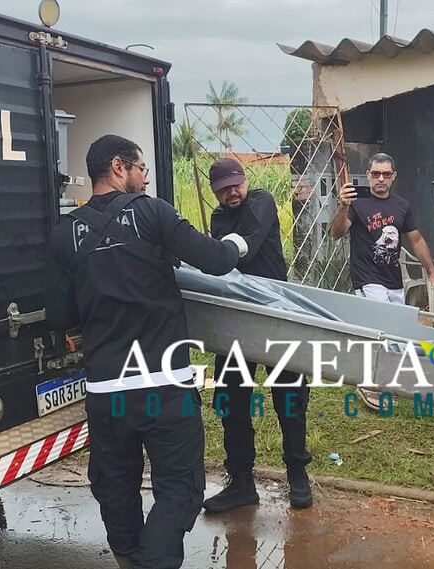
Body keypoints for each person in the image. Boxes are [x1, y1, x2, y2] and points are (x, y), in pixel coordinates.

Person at [47, 135, 250, 569]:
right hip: (163, 387)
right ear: (119, 167)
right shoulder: (152, 213)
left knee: (115, 488)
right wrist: (237, 244)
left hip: (106, 393)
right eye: (141, 169)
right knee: (179, 490)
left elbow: (60, 315)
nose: (144, 178)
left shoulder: (65, 234)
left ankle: (129, 559)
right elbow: (215, 260)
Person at [202, 157, 314, 512]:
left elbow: (243, 247)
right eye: (224, 189)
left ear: (245, 181)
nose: (232, 192)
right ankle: (240, 481)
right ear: (214, 192)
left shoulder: (262, 200)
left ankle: (297, 472)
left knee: (290, 398)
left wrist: (217, 252)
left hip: (277, 316)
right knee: (231, 400)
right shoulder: (219, 218)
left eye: (236, 184)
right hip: (236, 321)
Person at [329, 152, 434, 410]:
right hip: (367, 278)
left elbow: (416, 239)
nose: (380, 178)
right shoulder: (357, 203)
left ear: (393, 176)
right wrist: (343, 206)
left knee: (396, 331)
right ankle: (369, 382)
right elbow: (336, 233)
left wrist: (432, 270)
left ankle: (387, 378)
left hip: (393, 280)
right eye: (375, 173)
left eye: (386, 174)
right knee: (378, 329)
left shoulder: (401, 205)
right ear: (368, 175)